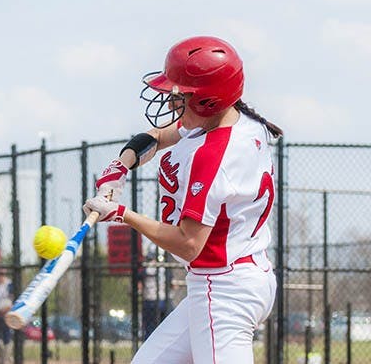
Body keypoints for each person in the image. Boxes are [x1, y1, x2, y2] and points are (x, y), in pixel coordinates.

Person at [84, 36, 282, 363]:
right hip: (236, 276)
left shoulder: (214, 155)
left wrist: (122, 213)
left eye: (181, 97)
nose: (173, 103)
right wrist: (120, 166)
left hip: (223, 289)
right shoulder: (235, 120)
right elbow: (158, 136)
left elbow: (189, 243)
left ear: (206, 102)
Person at [139, 247, 170, 340]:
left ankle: (149, 346)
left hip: (149, 301)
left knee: (149, 328)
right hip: (162, 300)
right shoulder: (165, 267)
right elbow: (170, 283)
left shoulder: (146, 268)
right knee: (164, 326)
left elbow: (139, 283)